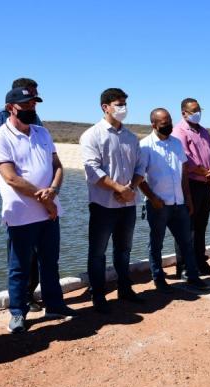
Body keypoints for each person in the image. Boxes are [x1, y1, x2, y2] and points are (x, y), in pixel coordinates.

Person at [0, 87, 77, 333]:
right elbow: (11, 178)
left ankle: (55, 304)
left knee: (50, 262)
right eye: (25, 106)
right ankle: (18, 313)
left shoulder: (43, 133)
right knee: (19, 267)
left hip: (49, 212)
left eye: (33, 105)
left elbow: (57, 166)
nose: (31, 109)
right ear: (10, 108)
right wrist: (46, 200)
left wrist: (54, 191)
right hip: (21, 215)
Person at [80, 88, 145, 313]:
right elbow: (92, 170)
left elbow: (140, 167)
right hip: (103, 205)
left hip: (128, 205)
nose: (123, 109)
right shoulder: (92, 135)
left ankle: (124, 288)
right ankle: (98, 294)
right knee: (97, 252)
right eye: (118, 104)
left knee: (124, 249)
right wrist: (118, 188)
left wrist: (131, 188)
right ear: (105, 107)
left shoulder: (131, 137)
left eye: (125, 104)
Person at [0, 78, 43, 312]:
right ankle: (22, 299)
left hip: (37, 193)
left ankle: (33, 291)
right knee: (19, 247)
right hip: (16, 191)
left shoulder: (35, 118)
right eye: (31, 96)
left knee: (39, 248)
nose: (33, 102)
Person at [138, 108, 208, 293]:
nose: (168, 125)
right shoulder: (145, 146)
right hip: (158, 205)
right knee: (156, 244)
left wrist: (188, 199)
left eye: (169, 121)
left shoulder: (176, 144)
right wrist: (153, 198)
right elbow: (138, 178)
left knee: (187, 242)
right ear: (153, 124)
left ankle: (192, 276)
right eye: (164, 123)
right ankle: (159, 278)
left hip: (180, 204)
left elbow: (183, 174)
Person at [171, 98, 210, 275]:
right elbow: (184, 159)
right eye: (194, 110)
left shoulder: (204, 131)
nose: (197, 113)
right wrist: (202, 171)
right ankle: (184, 266)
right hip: (190, 184)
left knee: (201, 226)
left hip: (205, 184)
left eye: (199, 109)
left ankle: (200, 261)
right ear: (184, 112)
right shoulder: (179, 131)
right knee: (186, 227)